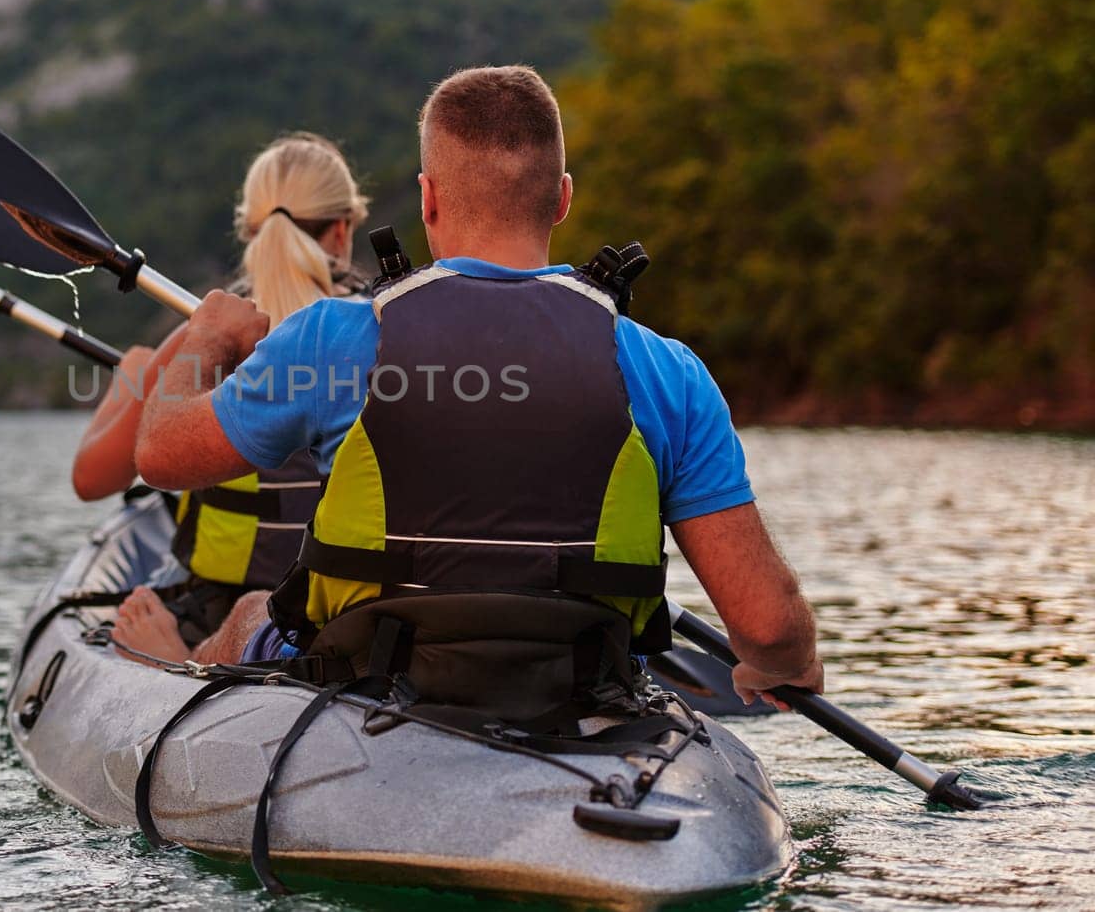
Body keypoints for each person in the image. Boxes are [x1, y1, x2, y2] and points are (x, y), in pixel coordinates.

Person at [118, 65, 823, 710]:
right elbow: (766, 625)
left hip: (370, 674)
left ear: (427, 201)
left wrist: (207, 338)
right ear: (563, 200)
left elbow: (160, 452)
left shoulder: (334, 341)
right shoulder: (667, 369)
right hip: (581, 682)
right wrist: (780, 663)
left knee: (250, 611)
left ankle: (176, 666)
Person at [71, 133, 370, 648]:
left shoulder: (202, 336)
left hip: (216, 609)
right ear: (342, 231)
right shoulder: (382, 331)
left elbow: (91, 479)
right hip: (338, 610)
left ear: (250, 233)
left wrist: (135, 377)